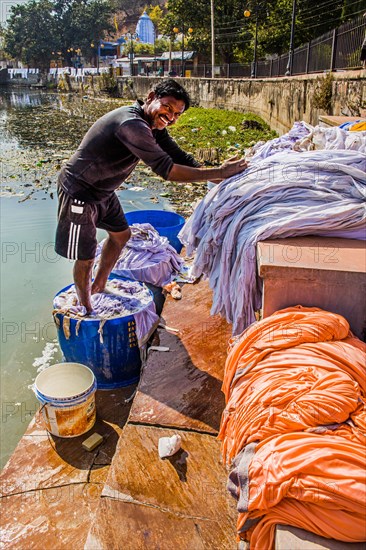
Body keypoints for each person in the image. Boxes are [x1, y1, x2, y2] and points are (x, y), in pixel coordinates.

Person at [55, 79, 247, 313]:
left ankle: (99, 285)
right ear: (151, 97)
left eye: (177, 114)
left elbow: (179, 157)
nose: (171, 117)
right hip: (80, 191)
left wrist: (225, 177)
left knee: (121, 235)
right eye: (167, 108)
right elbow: (167, 170)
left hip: (103, 190)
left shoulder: (154, 127)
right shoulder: (131, 124)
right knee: (85, 255)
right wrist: (218, 171)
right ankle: (87, 306)